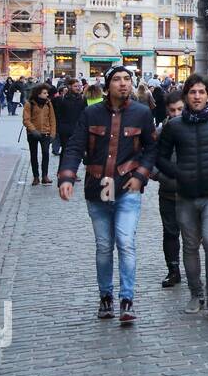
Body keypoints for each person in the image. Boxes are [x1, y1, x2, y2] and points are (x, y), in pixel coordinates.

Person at [58, 65, 158, 325]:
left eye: (127, 79)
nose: (123, 84)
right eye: (117, 80)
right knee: (104, 246)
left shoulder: (142, 113)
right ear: (107, 85)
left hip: (127, 187)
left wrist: (141, 176)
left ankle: (127, 299)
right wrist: (67, 176)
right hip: (98, 187)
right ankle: (105, 296)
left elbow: (151, 148)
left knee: (125, 242)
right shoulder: (91, 113)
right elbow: (75, 146)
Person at [154, 74, 208, 320]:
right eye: (193, 92)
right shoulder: (174, 126)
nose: (197, 96)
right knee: (190, 245)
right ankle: (196, 293)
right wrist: (177, 174)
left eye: (202, 92)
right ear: (186, 96)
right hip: (185, 195)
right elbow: (160, 157)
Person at [153, 90, 185, 289]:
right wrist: (159, 175)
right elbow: (150, 157)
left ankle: (194, 272)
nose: (176, 114)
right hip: (167, 191)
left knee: (193, 236)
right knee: (170, 232)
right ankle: (173, 270)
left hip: (191, 192)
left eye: (180, 109)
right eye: (172, 110)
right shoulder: (160, 131)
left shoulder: (195, 129)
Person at [21, 83, 57, 185]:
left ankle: (45, 176)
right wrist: (33, 130)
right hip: (33, 134)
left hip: (45, 133)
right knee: (34, 154)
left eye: (47, 93)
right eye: (44, 93)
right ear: (38, 94)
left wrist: (53, 133)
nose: (47, 95)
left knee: (46, 153)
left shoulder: (48, 104)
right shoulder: (29, 104)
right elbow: (26, 120)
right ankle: (36, 176)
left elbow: (52, 119)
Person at [55, 78, 87, 158]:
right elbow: (58, 115)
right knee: (65, 151)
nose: (78, 88)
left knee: (76, 152)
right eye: (75, 86)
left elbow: (84, 114)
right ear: (69, 86)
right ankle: (62, 169)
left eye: (79, 86)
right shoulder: (62, 99)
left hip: (78, 130)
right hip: (65, 130)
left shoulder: (82, 99)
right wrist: (59, 128)